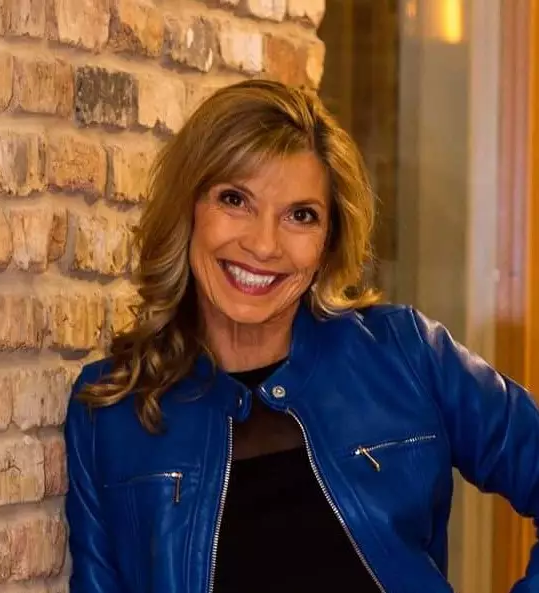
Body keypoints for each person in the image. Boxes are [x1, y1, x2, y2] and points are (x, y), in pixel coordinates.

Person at [64, 79, 539, 593]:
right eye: (235, 200)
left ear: (328, 241)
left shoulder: (406, 353)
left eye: (300, 215)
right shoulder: (111, 410)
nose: (264, 245)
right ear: (188, 210)